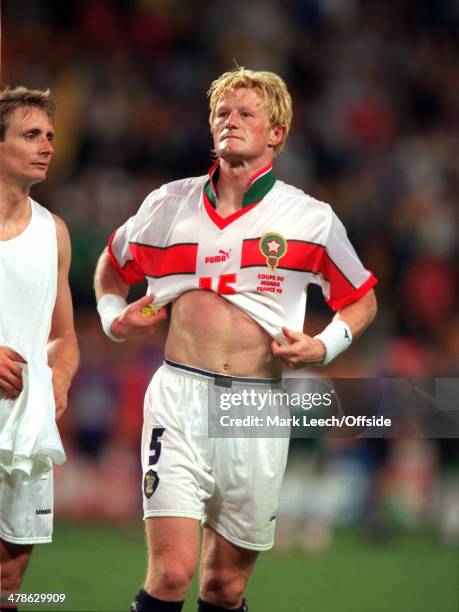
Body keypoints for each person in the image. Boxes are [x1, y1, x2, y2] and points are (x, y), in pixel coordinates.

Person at [94, 68, 377, 612]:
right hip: (179, 396)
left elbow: (361, 296)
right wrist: (111, 316)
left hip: (256, 405)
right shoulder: (166, 205)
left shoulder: (310, 218)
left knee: (225, 587)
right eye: (223, 113)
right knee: (171, 573)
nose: (232, 121)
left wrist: (325, 345)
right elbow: (111, 264)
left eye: (248, 114)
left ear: (277, 134)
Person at [0, 87, 79, 609]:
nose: (47, 145)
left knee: (11, 575)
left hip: (23, 424)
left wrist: (61, 376)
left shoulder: (55, 232)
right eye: (31, 135)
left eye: (49, 135)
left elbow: (64, 335)